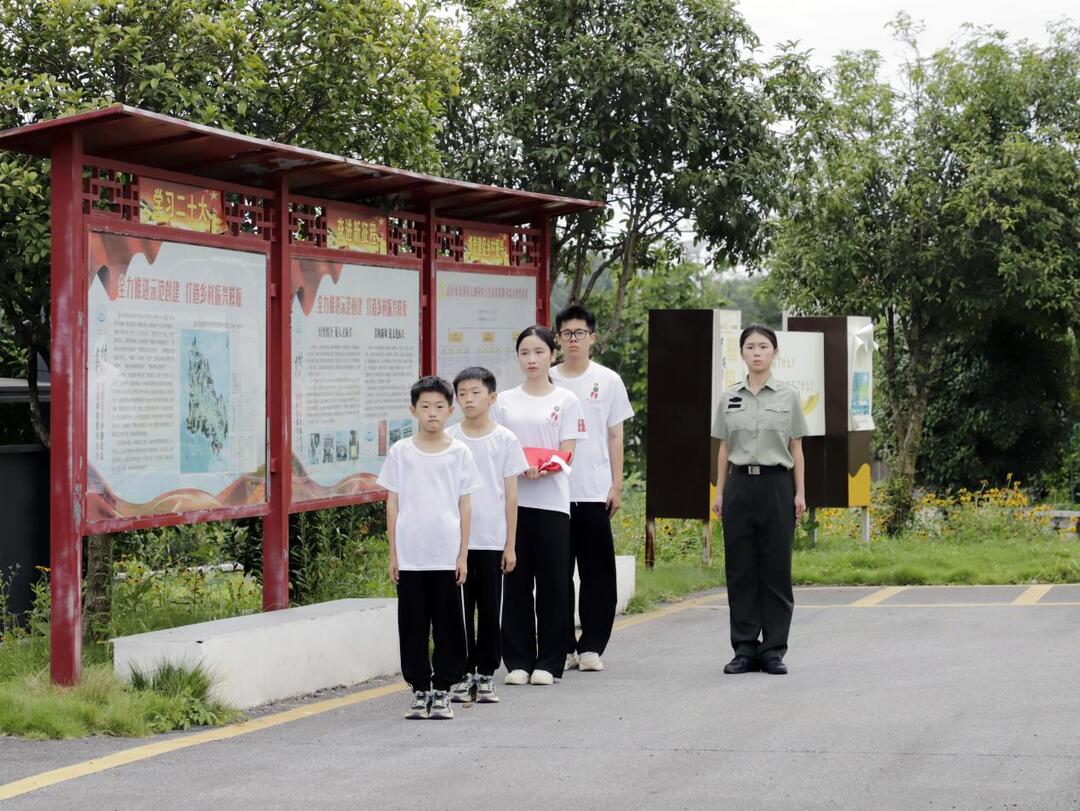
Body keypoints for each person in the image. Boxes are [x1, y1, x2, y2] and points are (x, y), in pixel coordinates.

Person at [377, 375, 482, 719]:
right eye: (425, 407)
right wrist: (394, 551)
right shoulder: (401, 452)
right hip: (411, 554)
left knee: (450, 624)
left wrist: (463, 553)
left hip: (446, 553)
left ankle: (443, 690)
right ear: (413, 409)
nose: (433, 413)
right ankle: (419, 688)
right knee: (413, 624)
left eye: (439, 407)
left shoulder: (459, 452)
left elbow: (465, 505)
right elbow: (392, 502)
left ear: (451, 410)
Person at [492, 326, 587, 686]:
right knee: (514, 581)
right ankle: (517, 659)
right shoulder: (504, 401)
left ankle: (550, 660)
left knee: (553, 583)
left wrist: (542, 467)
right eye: (524, 353)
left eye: (538, 352)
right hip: (514, 503)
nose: (531, 360)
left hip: (552, 503)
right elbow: (499, 449)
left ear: (552, 354)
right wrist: (517, 469)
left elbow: (569, 451)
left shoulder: (565, 400)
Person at [711, 325, 807, 676]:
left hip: (777, 485)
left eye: (763, 347)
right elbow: (723, 448)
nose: (756, 352)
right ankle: (745, 648)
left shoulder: (787, 396)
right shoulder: (729, 397)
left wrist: (800, 493)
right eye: (750, 347)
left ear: (774, 353)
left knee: (775, 569)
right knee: (741, 569)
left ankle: (773, 650)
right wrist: (720, 492)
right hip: (739, 486)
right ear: (742, 354)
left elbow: (796, 446)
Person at [550, 304, 634, 673]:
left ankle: (592, 646)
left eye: (579, 333)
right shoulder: (547, 380)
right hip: (552, 492)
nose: (573, 340)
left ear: (592, 338)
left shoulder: (608, 380)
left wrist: (616, 483)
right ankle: (563, 643)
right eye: (566, 333)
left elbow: (615, 434)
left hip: (594, 490)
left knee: (597, 573)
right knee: (557, 572)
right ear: (557, 338)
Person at [446, 366, 529, 704]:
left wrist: (510, 544)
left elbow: (511, 495)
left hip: (492, 539)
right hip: (456, 543)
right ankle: (463, 673)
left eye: (475, 392)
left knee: (490, 609)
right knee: (459, 612)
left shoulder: (505, 439)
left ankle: (486, 672)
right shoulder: (450, 438)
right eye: (462, 393)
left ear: (492, 397)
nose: (468, 398)